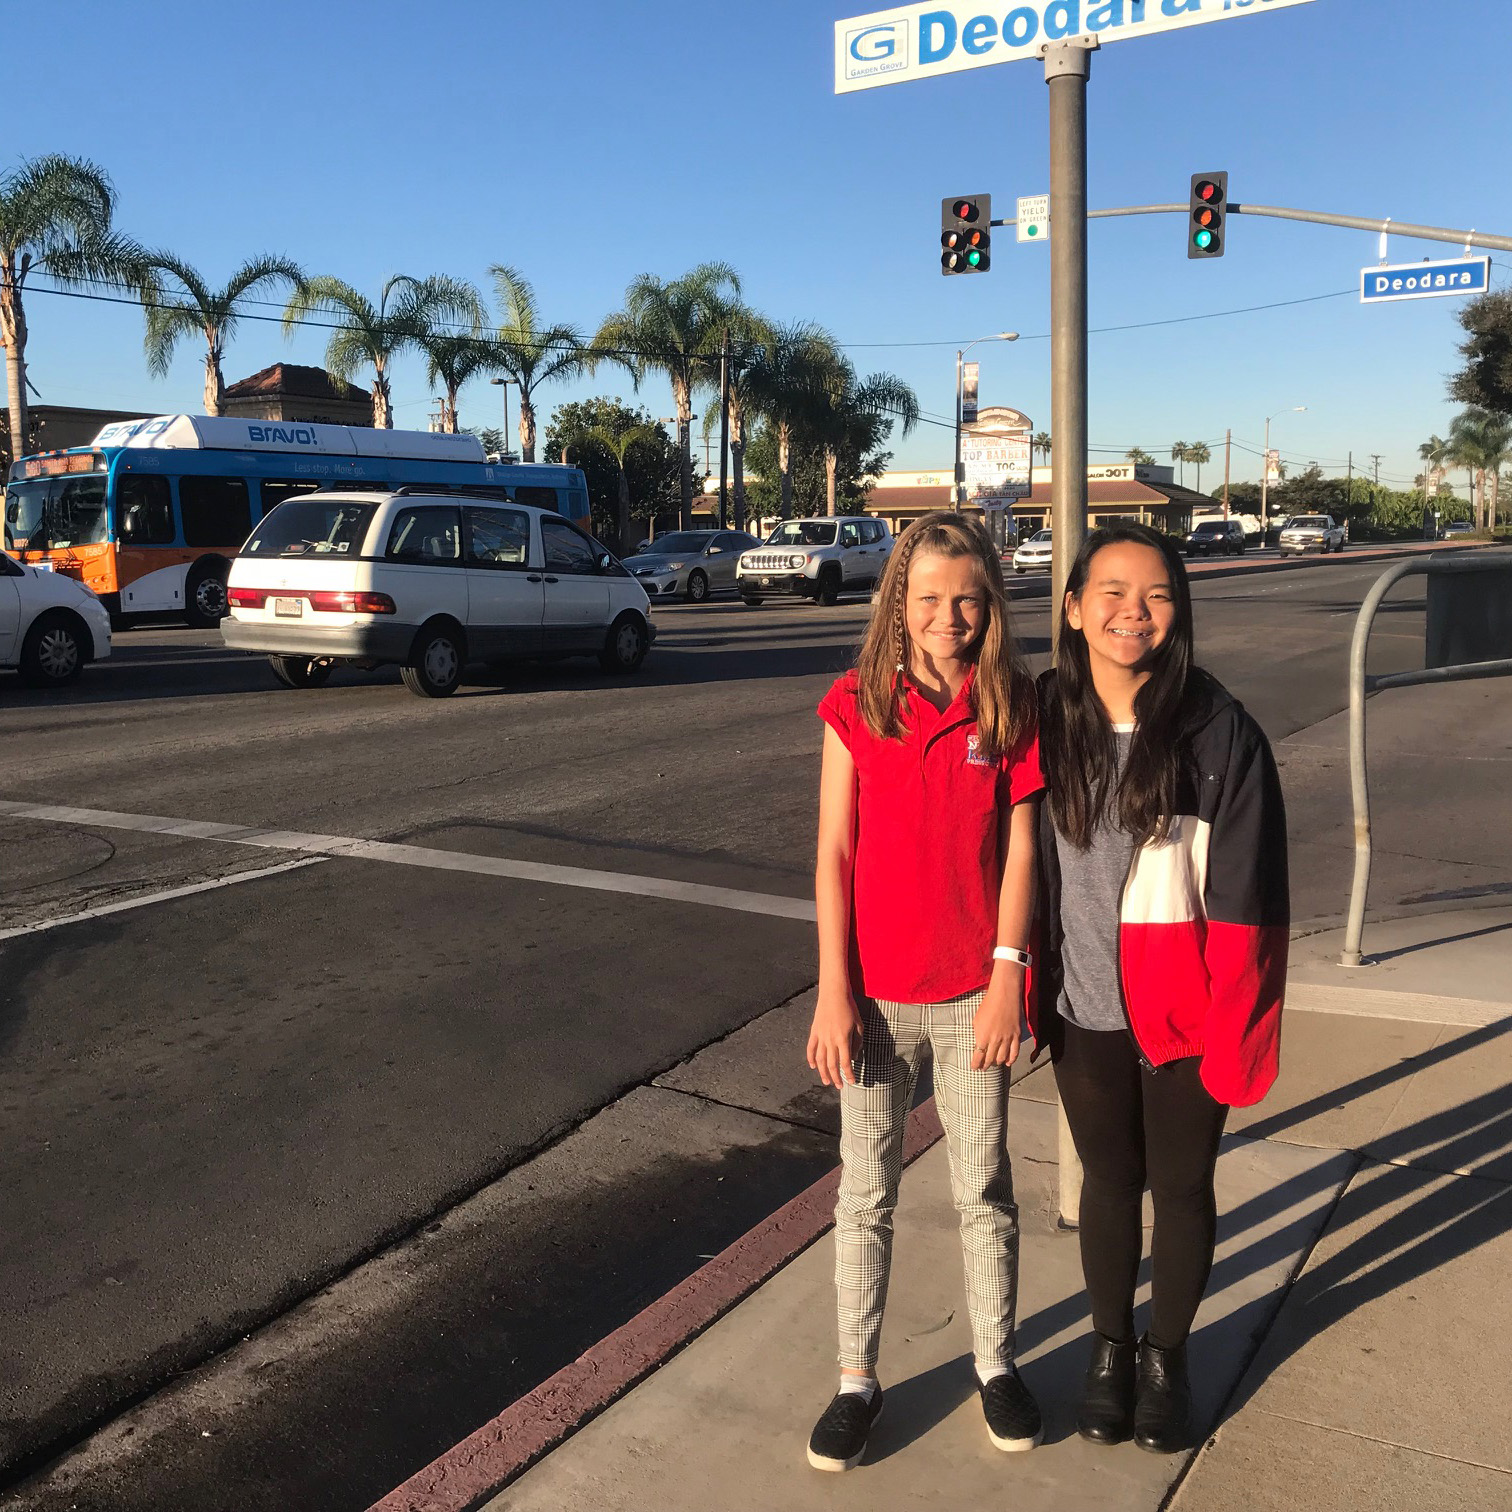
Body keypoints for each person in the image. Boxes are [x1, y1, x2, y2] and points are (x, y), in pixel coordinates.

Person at [1034, 522, 1289, 1454]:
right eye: (1110, 592)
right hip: (1085, 1005)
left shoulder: (1220, 732)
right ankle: (1111, 1349)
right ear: (1072, 608)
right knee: (1110, 1179)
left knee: (1182, 1187)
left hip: (1186, 1006)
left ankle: (1165, 1358)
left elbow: (1253, 901)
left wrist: (1240, 1023)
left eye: (1155, 595)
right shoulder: (1039, 720)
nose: (1131, 613)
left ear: (1177, 614)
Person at [804, 512, 1044, 1472]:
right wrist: (833, 989)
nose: (951, 619)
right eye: (932, 601)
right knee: (866, 1194)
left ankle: (998, 1364)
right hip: (873, 1004)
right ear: (897, 605)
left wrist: (1007, 978)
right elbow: (833, 851)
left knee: (982, 1188)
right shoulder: (856, 705)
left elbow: (1021, 848)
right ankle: (856, 1380)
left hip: (970, 997)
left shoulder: (1008, 708)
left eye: (970, 602)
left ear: (990, 608)